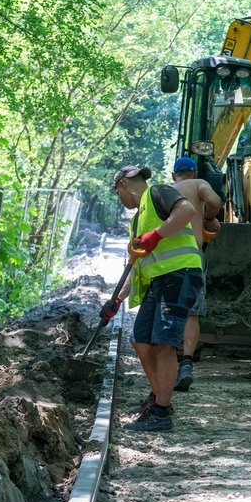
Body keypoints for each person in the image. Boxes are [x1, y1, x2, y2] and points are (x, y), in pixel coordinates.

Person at [103, 164, 203, 432]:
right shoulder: (138, 220)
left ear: (122, 184)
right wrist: (117, 301)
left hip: (179, 274)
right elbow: (137, 266)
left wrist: (156, 235)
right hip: (159, 281)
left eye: (117, 193)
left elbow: (187, 211)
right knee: (141, 340)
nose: (120, 199)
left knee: (163, 342)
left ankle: (160, 413)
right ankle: (161, 401)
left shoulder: (159, 192)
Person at [170, 156, 222, 392]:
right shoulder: (198, 184)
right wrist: (209, 218)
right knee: (192, 313)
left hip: (167, 259)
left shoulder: (164, 191)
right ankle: (187, 363)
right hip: (192, 256)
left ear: (174, 175)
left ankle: (168, 361)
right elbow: (215, 200)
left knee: (168, 308)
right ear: (194, 172)